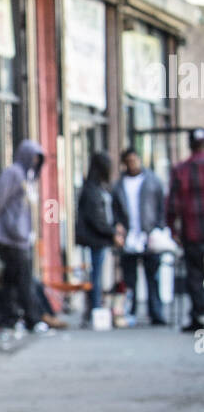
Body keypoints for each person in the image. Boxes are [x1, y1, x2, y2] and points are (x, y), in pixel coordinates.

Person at [0, 139, 48, 331]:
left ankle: (10, 317)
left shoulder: (28, 176)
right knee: (22, 278)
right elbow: (0, 201)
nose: (36, 163)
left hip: (21, 237)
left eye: (39, 159)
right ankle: (31, 318)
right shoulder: (13, 173)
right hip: (9, 236)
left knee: (12, 279)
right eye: (34, 158)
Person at [112, 148, 167, 325]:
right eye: (128, 161)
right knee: (130, 280)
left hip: (148, 235)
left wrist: (159, 228)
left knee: (153, 277)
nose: (132, 164)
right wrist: (118, 228)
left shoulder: (152, 181)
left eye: (134, 160)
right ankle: (131, 313)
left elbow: (161, 207)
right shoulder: (119, 184)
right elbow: (115, 211)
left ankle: (156, 313)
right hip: (129, 238)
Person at [75, 151, 124, 321]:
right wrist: (112, 233)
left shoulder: (99, 187)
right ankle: (95, 309)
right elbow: (96, 218)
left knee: (97, 275)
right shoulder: (91, 190)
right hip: (94, 239)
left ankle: (96, 308)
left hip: (100, 239)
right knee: (95, 276)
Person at [167, 127, 204, 333]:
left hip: (193, 233)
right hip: (193, 231)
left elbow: (172, 205)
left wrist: (173, 229)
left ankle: (199, 315)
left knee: (195, 275)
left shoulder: (181, 169)